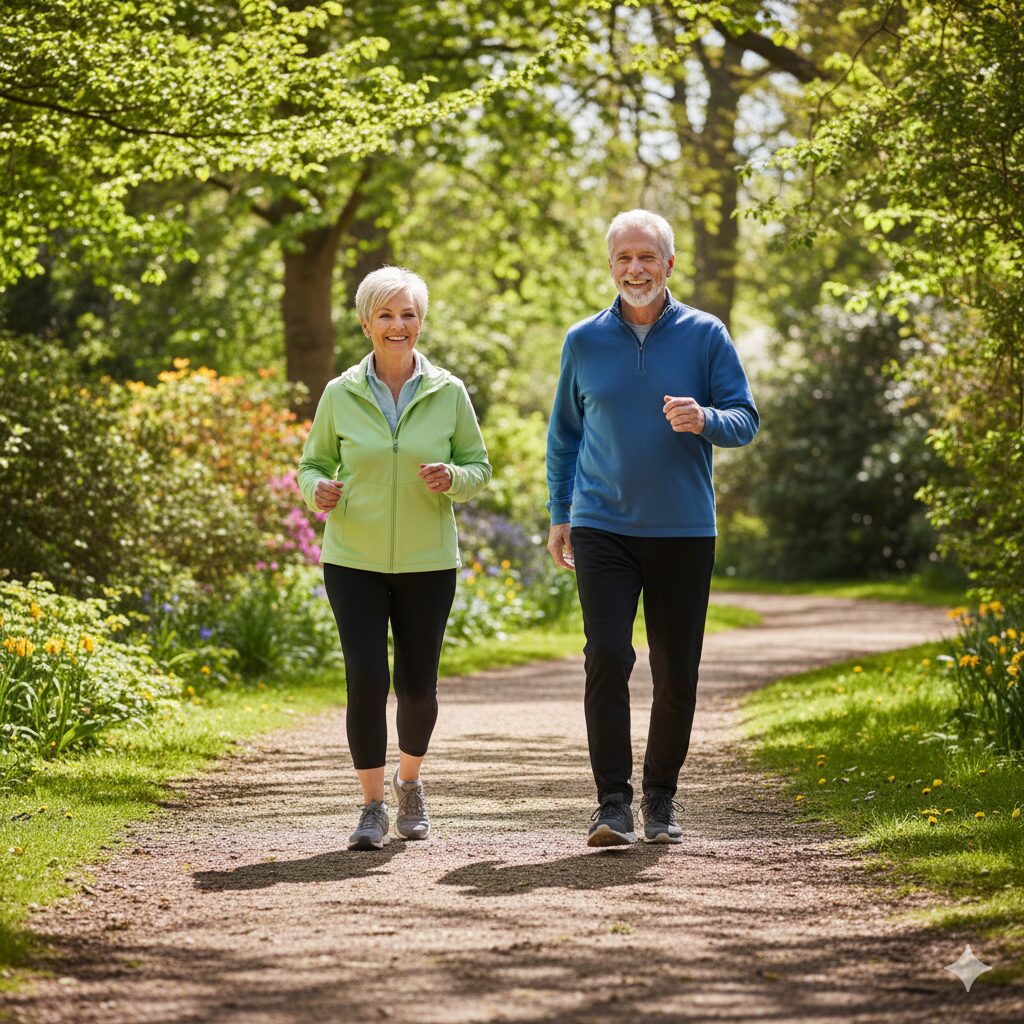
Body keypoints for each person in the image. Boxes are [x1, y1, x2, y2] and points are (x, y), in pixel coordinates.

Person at [545, 210, 759, 848]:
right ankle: (612, 803)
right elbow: (564, 437)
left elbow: (745, 419)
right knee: (607, 655)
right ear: (610, 265)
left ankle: (660, 797)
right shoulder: (584, 341)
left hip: (683, 529)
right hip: (602, 524)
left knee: (676, 667)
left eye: (646, 257)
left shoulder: (706, 334)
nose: (635, 269)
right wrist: (560, 513)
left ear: (668, 263)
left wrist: (706, 419)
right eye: (624, 258)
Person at [298, 266, 491, 851]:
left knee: (417, 687)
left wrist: (453, 476)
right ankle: (371, 806)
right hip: (352, 558)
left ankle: (409, 783)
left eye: (408, 314)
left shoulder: (448, 391)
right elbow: (311, 465)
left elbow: (478, 466)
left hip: (428, 561)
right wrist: (316, 490)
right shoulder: (340, 393)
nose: (397, 324)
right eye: (385, 314)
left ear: (421, 322)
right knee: (365, 679)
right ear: (366, 324)